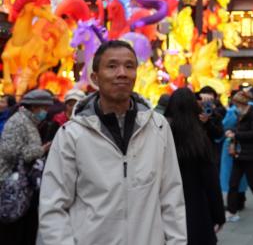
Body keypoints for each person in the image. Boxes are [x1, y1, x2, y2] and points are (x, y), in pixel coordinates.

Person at [38, 40, 187, 244]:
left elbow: (171, 197)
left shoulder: (158, 128)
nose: (122, 73)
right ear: (95, 77)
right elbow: (53, 206)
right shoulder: (72, 135)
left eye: (129, 66)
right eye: (112, 66)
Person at [165, 88, 225, 245]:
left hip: (167, 209)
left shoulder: (161, 133)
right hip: (197, 209)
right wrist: (219, 215)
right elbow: (211, 181)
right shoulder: (198, 139)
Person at [0, 89, 52, 245]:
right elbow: (9, 152)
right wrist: (41, 150)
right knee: (12, 228)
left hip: (23, 184)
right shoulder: (18, 122)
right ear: (35, 107)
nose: (46, 112)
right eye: (44, 108)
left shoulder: (29, 122)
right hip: (12, 183)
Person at [225, 90, 253, 222]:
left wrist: (236, 135)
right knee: (233, 183)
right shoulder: (242, 113)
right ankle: (231, 211)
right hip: (239, 154)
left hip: (251, 154)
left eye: (236, 104)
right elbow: (242, 130)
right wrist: (233, 131)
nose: (235, 106)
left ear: (241, 103)